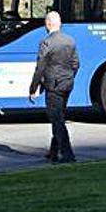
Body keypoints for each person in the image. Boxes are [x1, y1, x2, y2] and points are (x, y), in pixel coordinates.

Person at [29, 11, 80, 163]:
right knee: (59, 116)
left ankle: (68, 154)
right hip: (67, 84)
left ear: (48, 24)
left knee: (56, 119)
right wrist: (69, 77)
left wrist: (33, 88)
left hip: (53, 85)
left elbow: (40, 68)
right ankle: (53, 151)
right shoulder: (70, 40)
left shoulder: (46, 43)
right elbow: (76, 64)